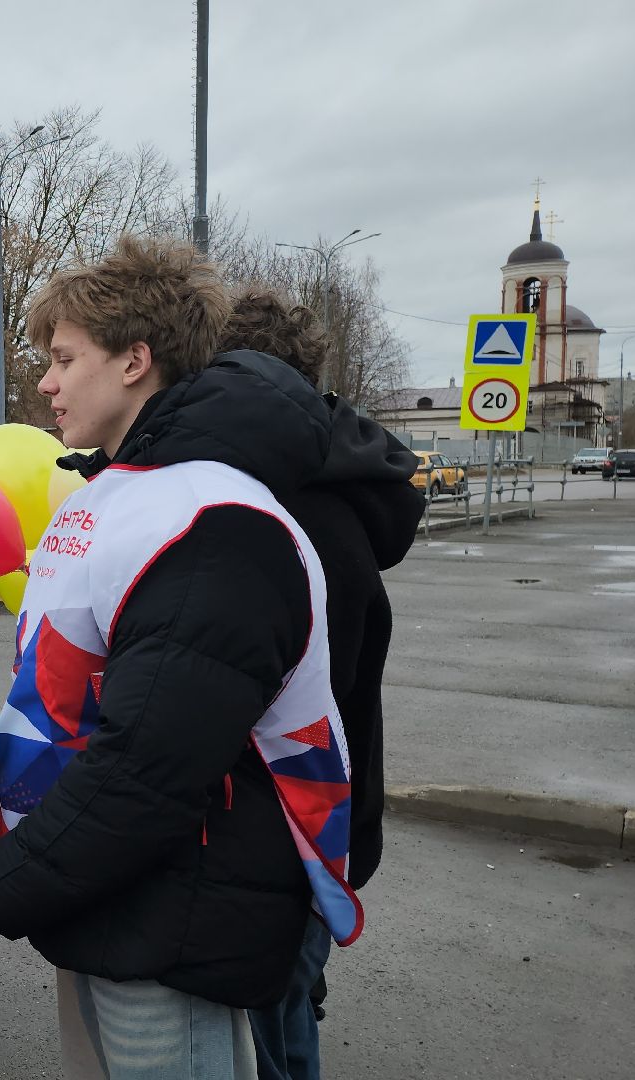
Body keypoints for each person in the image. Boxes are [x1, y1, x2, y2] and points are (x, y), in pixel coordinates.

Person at [0, 236, 364, 1080]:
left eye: (63, 358)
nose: (45, 383)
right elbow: (54, 713)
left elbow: (148, 767)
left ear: (135, 360)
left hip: (177, 914)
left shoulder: (213, 520)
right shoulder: (123, 497)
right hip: (111, 897)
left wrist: (3, 883)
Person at [218, 290, 424, 1080]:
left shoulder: (260, 508)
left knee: (272, 1033)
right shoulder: (345, 493)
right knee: (294, 1000)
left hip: (273, 822)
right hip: (335, 808)